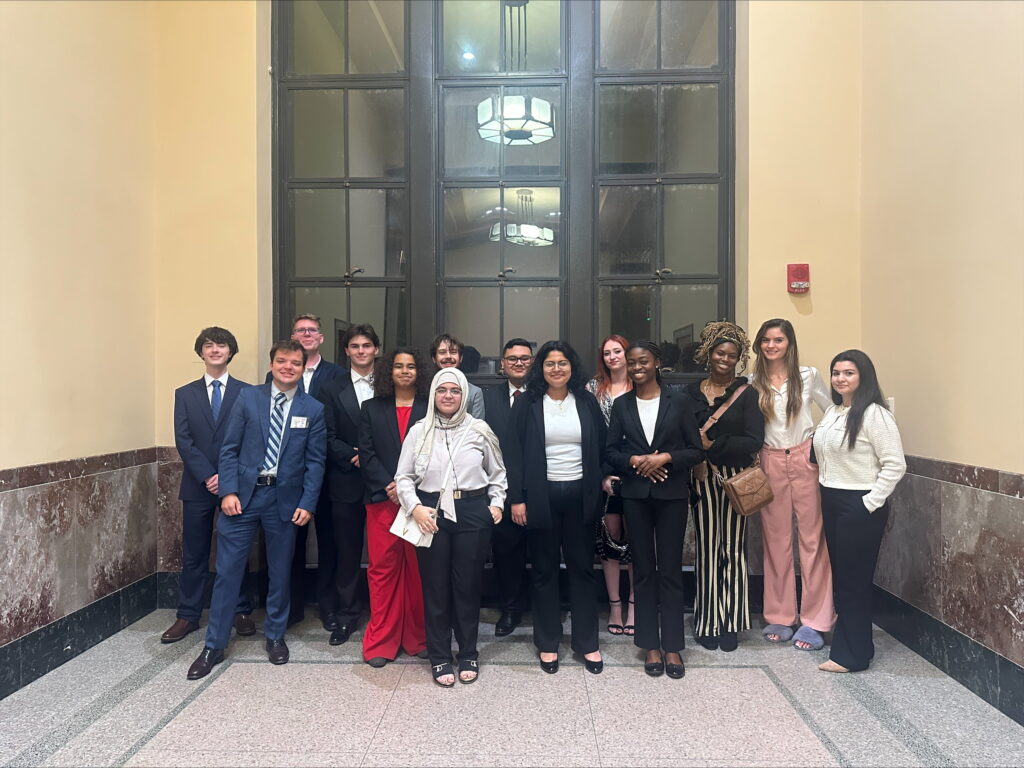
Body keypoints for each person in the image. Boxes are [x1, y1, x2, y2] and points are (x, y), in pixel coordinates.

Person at [187, 340, 326, 679]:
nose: (288, 367)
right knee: (227, 572)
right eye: (282, 361)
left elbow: (315, 462)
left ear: (303, 367)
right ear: (272, 363)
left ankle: (275, 636)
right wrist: (228, 491)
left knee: (280, 572)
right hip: (244, 498)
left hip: (285, 501)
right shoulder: (248, 398)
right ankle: (214, 644)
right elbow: (230, 449)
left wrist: (307, 503)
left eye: (295, 362)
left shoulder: (313, 409)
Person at [394, 368, 506, 686]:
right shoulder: (419, 430)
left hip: (472, 511)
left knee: (467, 586)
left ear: (464, 395)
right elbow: (403, 477)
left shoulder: (480, 429)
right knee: (436, 588)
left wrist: (496, 503)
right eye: (441, 390)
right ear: (433, 395)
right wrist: (414, 508)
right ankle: (440, 656)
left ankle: (468, 651)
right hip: (430, 512)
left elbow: (497, 472)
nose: (448, 396)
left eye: (454, 391)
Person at [505, 340, 607, 675]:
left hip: (581, 497)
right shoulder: (528, 403)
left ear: (572, 366)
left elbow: (601, 447)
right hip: (540, 498)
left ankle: (587, 644)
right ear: (541, 368)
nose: (557, 369)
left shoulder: (587, 402)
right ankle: (548, 643)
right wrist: (517, 499)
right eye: (550, 364)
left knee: (582, 570)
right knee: (545, 571)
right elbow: (514, 453)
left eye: (562, 363)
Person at [606, 341, 704, 678]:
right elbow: (610, 453)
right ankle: (650, 643)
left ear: (657, 363)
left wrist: (665, 458)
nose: (636, 367)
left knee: (671, 570)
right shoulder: (621, 405)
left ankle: (673, 646)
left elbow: (695, 451)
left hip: (672, 495)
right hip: (635, 496)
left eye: (642, 361)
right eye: (631, 362)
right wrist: (635, 461)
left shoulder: (679, 401)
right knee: (644, 570)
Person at [814, 350, 905, 673]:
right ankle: (859, 648)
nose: (840, 379)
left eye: (848, 373)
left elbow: (895, 464)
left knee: (853, 582)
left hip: (859, 504)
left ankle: (849, 657)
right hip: (832, 499)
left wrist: (868, 502)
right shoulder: (835, 412)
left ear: (863, 376)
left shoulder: (875, 415)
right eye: (836, 373)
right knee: (845, 580)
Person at [163, 327, 255, 644]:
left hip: (235, 487)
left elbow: (249, 440)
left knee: (236, 550)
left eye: (222, 345)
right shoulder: (184, 394)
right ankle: (188, 615)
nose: (215, 350)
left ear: (231, 352)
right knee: (194, 553)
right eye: (209, 345)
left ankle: (241, 610)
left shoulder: (247, 393)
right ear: (201, 352)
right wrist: (208, 475)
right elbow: (184, 440)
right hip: (197, 486)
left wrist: (227, 478)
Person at [750, 319, 835, 651]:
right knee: (776, 541)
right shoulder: (752, 382)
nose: (772, 345)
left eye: (778, 340)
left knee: (813, 540)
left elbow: (832, 412)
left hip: (803, 459)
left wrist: (814, 445)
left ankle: (816, 620)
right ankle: (780, 614)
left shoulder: (808, 375)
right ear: (759, 345)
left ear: (789, 344)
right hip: (769, 459)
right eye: (766, 340)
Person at [684, 321, 764, 652]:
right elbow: (685, 433)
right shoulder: (691, 393)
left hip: (733, 478)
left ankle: (730, 621)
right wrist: (699, 456)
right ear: (708, 354)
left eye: (732, 355)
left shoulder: (747, 394)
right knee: (706, 550)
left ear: (739, 358)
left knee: (731, 549)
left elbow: (753, 440)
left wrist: (713, 446)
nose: (725, 359)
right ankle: (707, 621)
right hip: (701, 476)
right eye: (720, 353)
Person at [269, 314, 345, 630]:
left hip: (328, 473)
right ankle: (293, 606)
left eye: (312, 330)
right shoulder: (277, 374)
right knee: (290, 543)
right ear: (293, 336)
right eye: (300, 329)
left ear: (321, 337)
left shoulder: (338, 375)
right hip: (288, 478)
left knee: (329, 543)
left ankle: (328, 606)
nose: (306, 334)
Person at [357, 348, 428, 667]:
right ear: (389, 371)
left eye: (411, 366)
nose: (404, 371)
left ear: (419, 372)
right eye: (398, 366)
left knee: (418, 570)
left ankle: (418, 638)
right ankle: (381, 641)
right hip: (382, 502)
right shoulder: (371, 408)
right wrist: (394, 486)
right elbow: (367, 454)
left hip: (420, 504)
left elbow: (439, 453)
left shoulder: (431, 408)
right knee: (383, 569)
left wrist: (408, 489)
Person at [317, 324, 381, 646]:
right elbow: (325, 436)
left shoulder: (389, 383)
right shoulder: (330, 388)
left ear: (376, 350)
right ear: (346, 351)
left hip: (385, 482)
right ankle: (347, 615)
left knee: (387, 554)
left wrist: (375, 460)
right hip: (345, 480)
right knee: (347, 552)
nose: (360, 351)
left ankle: (386, 616)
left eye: (366, 345)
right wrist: (353, 456)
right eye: (354, 346)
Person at [482, 338, 534, 637]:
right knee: (506, 554)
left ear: (532, 362)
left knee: (543, 553)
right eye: (512, 358)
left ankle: (543, 607)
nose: (518, 362)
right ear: (502, 363)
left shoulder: (544, 397)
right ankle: (511, 609)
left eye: (524, 358)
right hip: (499, 491)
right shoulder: (488, 398)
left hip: (541, 490)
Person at [585, 334, 636, 637]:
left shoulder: (641, 386)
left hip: (638, 472)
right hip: (605, 474)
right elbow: (591, 436)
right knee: (610, 540)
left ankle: (635, 606)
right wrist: (602, 475)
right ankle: (615, 606)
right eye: (607, 353)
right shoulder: (592, 389)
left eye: (618, 351)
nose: (612, 357)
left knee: (639, 542)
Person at [430, 333, 485, 419]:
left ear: (461, 358)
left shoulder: (474, 393)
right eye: (442, 352)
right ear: (434, 358)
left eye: (453, 352)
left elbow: (478, 429)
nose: (448, 356)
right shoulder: (426, 390)